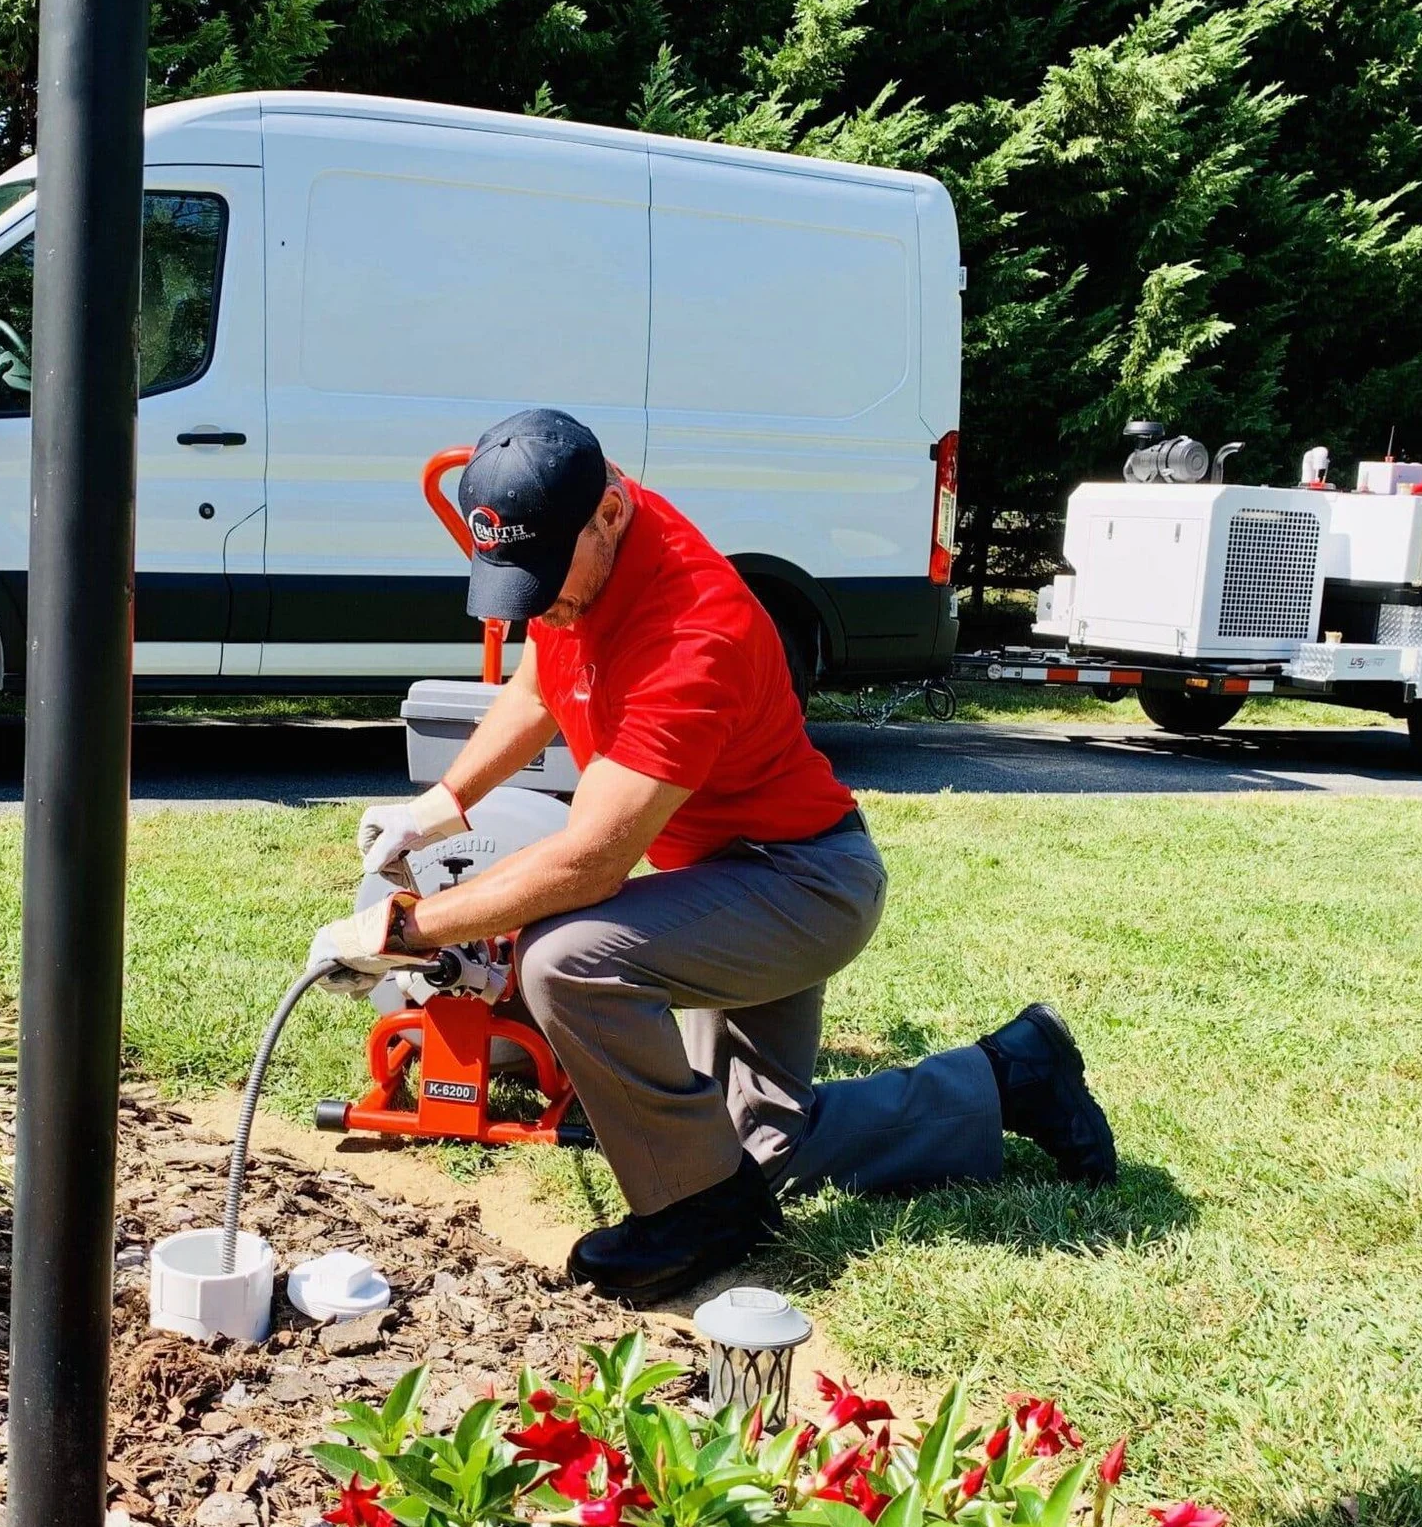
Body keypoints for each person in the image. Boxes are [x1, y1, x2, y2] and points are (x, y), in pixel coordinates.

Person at [306, 409, 1114, 1304]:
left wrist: (407, 929)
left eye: (545, 580)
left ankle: (690, 1213)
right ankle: (1010, 1077)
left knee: (566, 960)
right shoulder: (585, 549)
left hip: (801, 882)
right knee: (765, 1147)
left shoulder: (694, 633)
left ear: (611, 510)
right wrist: (441, 804)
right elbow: (542, 677)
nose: (542, 603)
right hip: (732, 873)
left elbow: (591, 862)